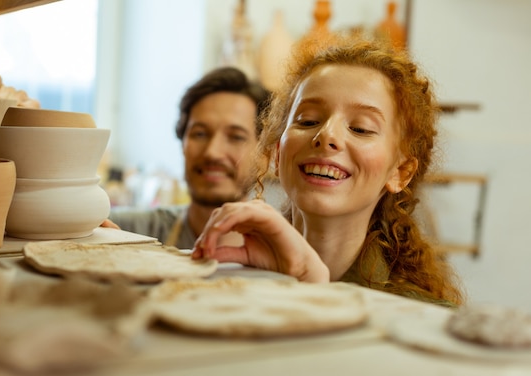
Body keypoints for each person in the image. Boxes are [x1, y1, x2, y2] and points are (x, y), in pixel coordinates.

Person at [192, 37, 465, 307]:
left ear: (400, 172)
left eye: (360, 128)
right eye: (308, 120)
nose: (327, 135)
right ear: (277, 152)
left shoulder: (425, 317)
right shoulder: (227, 285)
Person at [106, 67, 270, 249]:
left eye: (236, 137)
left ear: (264, 154)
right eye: (200, 134)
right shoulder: (131, 231)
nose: (212, 152)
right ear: (182, 142)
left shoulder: (283, 251)